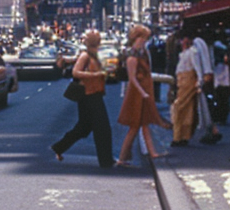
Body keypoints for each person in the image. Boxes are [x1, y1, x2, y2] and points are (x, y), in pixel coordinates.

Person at [49, 30, 114, 168]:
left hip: (93, 93)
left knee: (84, 127)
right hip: (89, 94)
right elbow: (75, 72)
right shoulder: (85, 55)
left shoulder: (93, 54)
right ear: (96, 41)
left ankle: (59, 148)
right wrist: (96, 74)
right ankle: (106, 161)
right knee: (102, 128)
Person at [116, 24, 168, 166]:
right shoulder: (132, 56)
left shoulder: (141, 53)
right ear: (136, 38)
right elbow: (132, 78)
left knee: (144, 124)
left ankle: (151, 153)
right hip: (137, 93)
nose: (144, 41)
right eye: (143, 39)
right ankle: (122, 158)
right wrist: (143, 92)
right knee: (135, 126)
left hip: (143, 91)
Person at [191, 30, 222, 145]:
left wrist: (204, 75)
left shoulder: (197, 43)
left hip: (204, 76)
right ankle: (211, 129)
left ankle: (212, 130)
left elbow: (201, 60)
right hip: (207, 75)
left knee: (205, 104)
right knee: (206, 103)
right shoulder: (204, 43)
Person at [170, 33, 199, 146]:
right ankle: (183, 135)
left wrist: (199, 80)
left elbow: (196, 66)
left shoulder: (191, 52)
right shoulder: (184, 53)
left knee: (179, 107)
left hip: (187, 80)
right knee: (187, 109)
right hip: (183, 80)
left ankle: (178, 136)